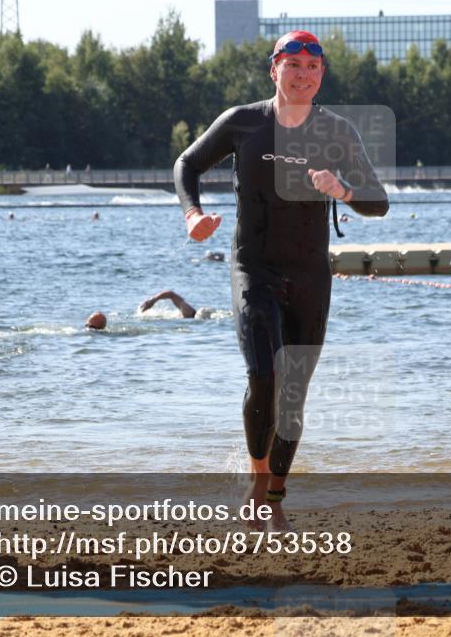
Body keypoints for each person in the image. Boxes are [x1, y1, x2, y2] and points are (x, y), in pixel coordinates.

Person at [173, 30, 389, 528]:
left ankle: (274, 496)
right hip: (255, 269)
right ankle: (256, 480)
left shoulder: (336, 131)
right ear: (274, 71)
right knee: (264, 376)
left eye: (312, 68)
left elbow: (379, 200)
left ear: (321, 76)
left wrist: (345, 190)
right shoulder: (244, 123)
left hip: (311, 275)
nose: (303, 75)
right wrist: (192, 215)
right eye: (293, 65)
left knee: (293, 395)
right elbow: (188, 163)